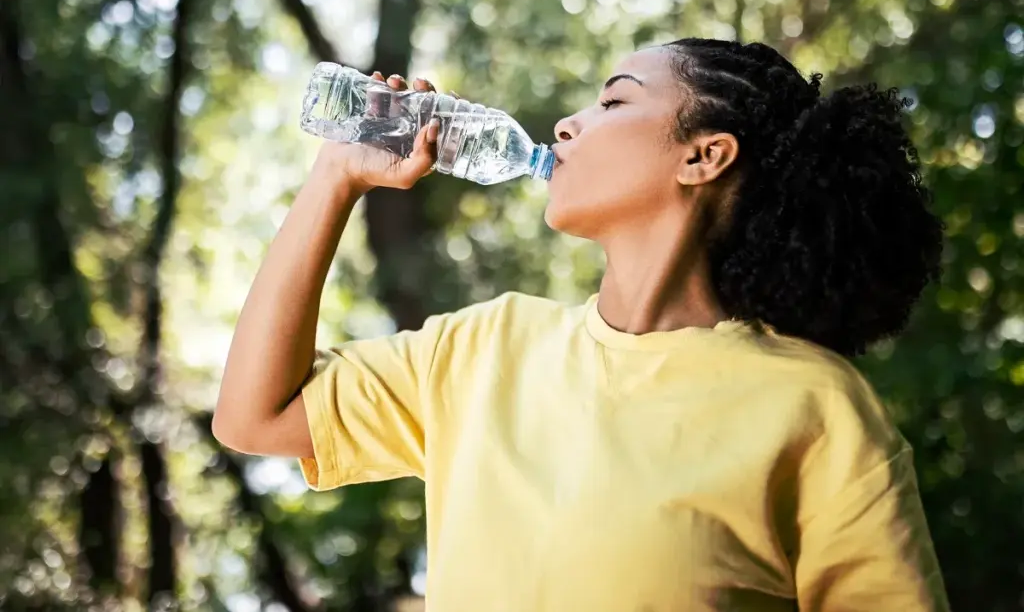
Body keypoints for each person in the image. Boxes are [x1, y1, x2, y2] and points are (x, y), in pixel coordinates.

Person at [213, 38, 950, 611]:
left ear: (704, 155)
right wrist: (336, 176)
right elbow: (255, 415)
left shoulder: (816, 408)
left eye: (613, 103)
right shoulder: (482, 348)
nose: (568, 124)